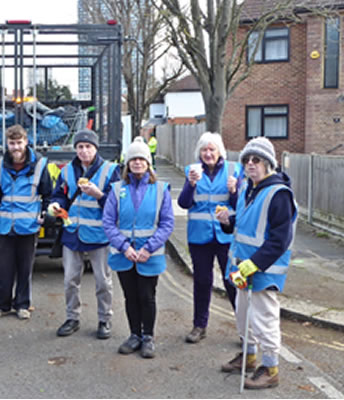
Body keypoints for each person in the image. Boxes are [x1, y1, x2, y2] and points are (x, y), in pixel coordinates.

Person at [216, 137, 297, 390]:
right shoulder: (247, 189)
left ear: (268, 163)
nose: (251, 164)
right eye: (247, 160)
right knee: (243, 316)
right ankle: (249, 357)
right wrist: (227, 221)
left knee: (264, 320)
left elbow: (279, 240)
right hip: (241, 267)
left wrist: (253, 264)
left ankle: (271, 368)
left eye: (257, 160)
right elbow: (242, 225)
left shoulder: (278, 194)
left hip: (264, 269)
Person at [102, 137, 174, 358]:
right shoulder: (116, 190)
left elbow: (166, 223)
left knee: (147, 296)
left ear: (148, 163)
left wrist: (148, 248)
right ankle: (134, 335)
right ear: (127, 163)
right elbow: (108, 222)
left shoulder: (161, 190)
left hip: (148, 255)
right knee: (130, 297)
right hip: (125, 255)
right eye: (133, 159)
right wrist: (124, 247)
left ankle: (148, 337)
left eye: (142, 158)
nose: (137, 162)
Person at [48, 129, 121, 339]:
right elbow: (60, 195)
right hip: (72, 232)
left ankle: (105, 320)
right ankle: (72, 318)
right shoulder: (67, 171)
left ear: (96, 149)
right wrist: (56, 205)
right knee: (70, 280)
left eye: (88, 147)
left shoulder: (110, 170)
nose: (84, 151)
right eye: (80, 147)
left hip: (100, 235)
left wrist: (99, 195)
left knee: (103, 282)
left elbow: (117, 205)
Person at [177, 132, 242, 344]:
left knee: (232, 281)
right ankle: (199, 326)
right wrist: (190, 184)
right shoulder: (191, 171)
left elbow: (241, 205)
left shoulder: (234, 170)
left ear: (219, 151)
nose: (208, 153)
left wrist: (234, 191)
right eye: (204, 150)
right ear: (199, 153)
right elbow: (184, 203)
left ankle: (244, 328)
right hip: (199, 236)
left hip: (226, 235)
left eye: (212, 149)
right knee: (202, 281)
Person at [0, 124, 52, 320]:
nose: (15, 147)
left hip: (29, 225)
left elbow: (47, 193)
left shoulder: (39, 165)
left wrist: (45, 213)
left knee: (25, 269)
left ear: (26, 142)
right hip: (5, 225)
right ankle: (2, 305)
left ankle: (22, 305)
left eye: (19, 142)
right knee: (3, 269)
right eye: (12, 143)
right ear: (6, 144)